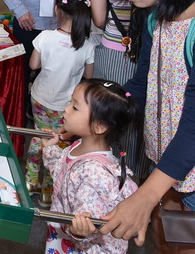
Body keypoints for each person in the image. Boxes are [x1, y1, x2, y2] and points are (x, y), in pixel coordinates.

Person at [99, 0, 195, 252]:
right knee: (164, 236)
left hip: (187, 163)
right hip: (165, 158)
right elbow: (142, 83)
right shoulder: (157, 18)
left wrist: (146, 194)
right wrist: (99, 110)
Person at [86, 0, 150, 179]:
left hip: (113, 49)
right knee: (137, 122)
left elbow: (99, 18)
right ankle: (134, 179)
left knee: (108, 118)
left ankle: (106, 180)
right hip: (147, 51)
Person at [42, 79, 139, 254]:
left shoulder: (95, 174)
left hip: (83, 247)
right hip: (65, 234)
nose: (66, 108)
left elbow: (92, 225)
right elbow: (62, 175)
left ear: (99, 126)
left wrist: (81, 231)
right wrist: (51, 149)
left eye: (75, 107)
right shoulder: (79, 145)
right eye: (70, 102)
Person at [25, 0, 96, 207]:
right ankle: (48, 191)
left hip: (40, 98)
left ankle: (30, 182)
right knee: (58, 143)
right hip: (65, 105)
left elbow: (33, 65)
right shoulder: (87, 46)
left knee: (38, 136)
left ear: (57, 9)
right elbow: (88, 77)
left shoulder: (45, 37)